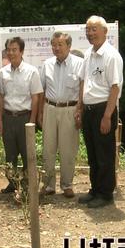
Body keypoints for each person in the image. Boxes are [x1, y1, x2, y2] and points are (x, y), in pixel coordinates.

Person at [75, 15, 123, 208]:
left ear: (105, 31)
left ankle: (106, 193)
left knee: (105, 153)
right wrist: (79, 107)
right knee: (93, 152)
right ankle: (95, 189)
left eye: (94, 29)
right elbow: (83, 82)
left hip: (104, 108)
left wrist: (107, 116)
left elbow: (115, 87)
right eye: (87, 29)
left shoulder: (111, 55)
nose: (90, 33)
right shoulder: (88, 54)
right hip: (88, 109)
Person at [38, 32, 83, 199]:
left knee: (68, 150)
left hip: (70, 110)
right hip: (50, 108)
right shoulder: (47, 64)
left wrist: (80, 111)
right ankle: (49, 185)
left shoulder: (79, 64)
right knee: (48, 149)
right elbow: (41, 90)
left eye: (60, 44)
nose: (56, 48)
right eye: (54, 45)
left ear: (69, 46)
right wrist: (41, 112)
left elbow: (82, 90)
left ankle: (67, 185)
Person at [0, 37, 43, 193]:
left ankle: (28, 184)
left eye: (14, 49)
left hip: (25, 117)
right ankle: (13, 183)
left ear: (21, 51)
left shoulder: (32, 71)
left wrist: (32, 120)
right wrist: (1, 120)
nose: (11, 52)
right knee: (10, 154)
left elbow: (36, 97)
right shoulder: (3, 73)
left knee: (27, 153)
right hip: (8, 118)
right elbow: (1, 97)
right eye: (8, 49)